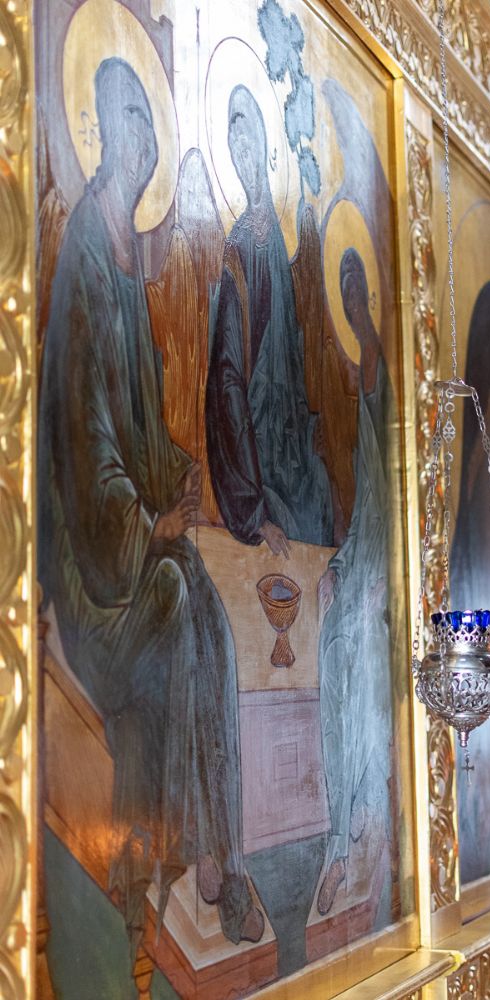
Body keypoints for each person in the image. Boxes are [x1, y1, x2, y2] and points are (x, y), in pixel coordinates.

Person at [38, 58, 263, 955]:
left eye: (150, 128)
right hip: (92, 571)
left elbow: (137, 431)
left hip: (131, 539)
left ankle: (216, 857)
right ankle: (162, 853)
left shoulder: (125, 259)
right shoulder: (84, 259)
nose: (144, 145)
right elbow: (85, 448)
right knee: (171, 597)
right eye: (133, 124)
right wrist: (144, 525)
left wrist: (179, 475)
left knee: (206, 606)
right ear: (103, 130)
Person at [206, 85, 333, 554]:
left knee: (319, 502)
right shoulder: (237, 249)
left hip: (289, 444)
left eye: (248, 133)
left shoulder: (277, 240)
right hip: (258, 457)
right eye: (232, 136)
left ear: (264, 143)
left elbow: (293, 356)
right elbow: (227, 378)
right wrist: (255, 511)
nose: (242, 147)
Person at [316, 248, 394, 915]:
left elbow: (400, 500)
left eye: (353, 288)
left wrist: (386, 578)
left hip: (389, 572)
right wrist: (339, 569)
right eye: (339, 292)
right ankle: (339, 835)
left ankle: (355, 832)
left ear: (367, 296)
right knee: (330, 652)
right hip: (363, 561)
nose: (348, 300)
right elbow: (365, 508)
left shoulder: (385, 377)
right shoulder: (358, 378)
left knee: (363, 661)